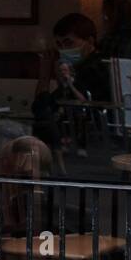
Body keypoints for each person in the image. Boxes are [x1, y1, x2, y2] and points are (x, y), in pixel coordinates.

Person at [32, 12, 114, 158]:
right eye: (59, 45)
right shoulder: (78, 69)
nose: (63, 49)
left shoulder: (94, 69)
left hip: (94, 145)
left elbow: (43, 108)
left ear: (89, 41)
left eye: (69, 43)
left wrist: (45, 72)